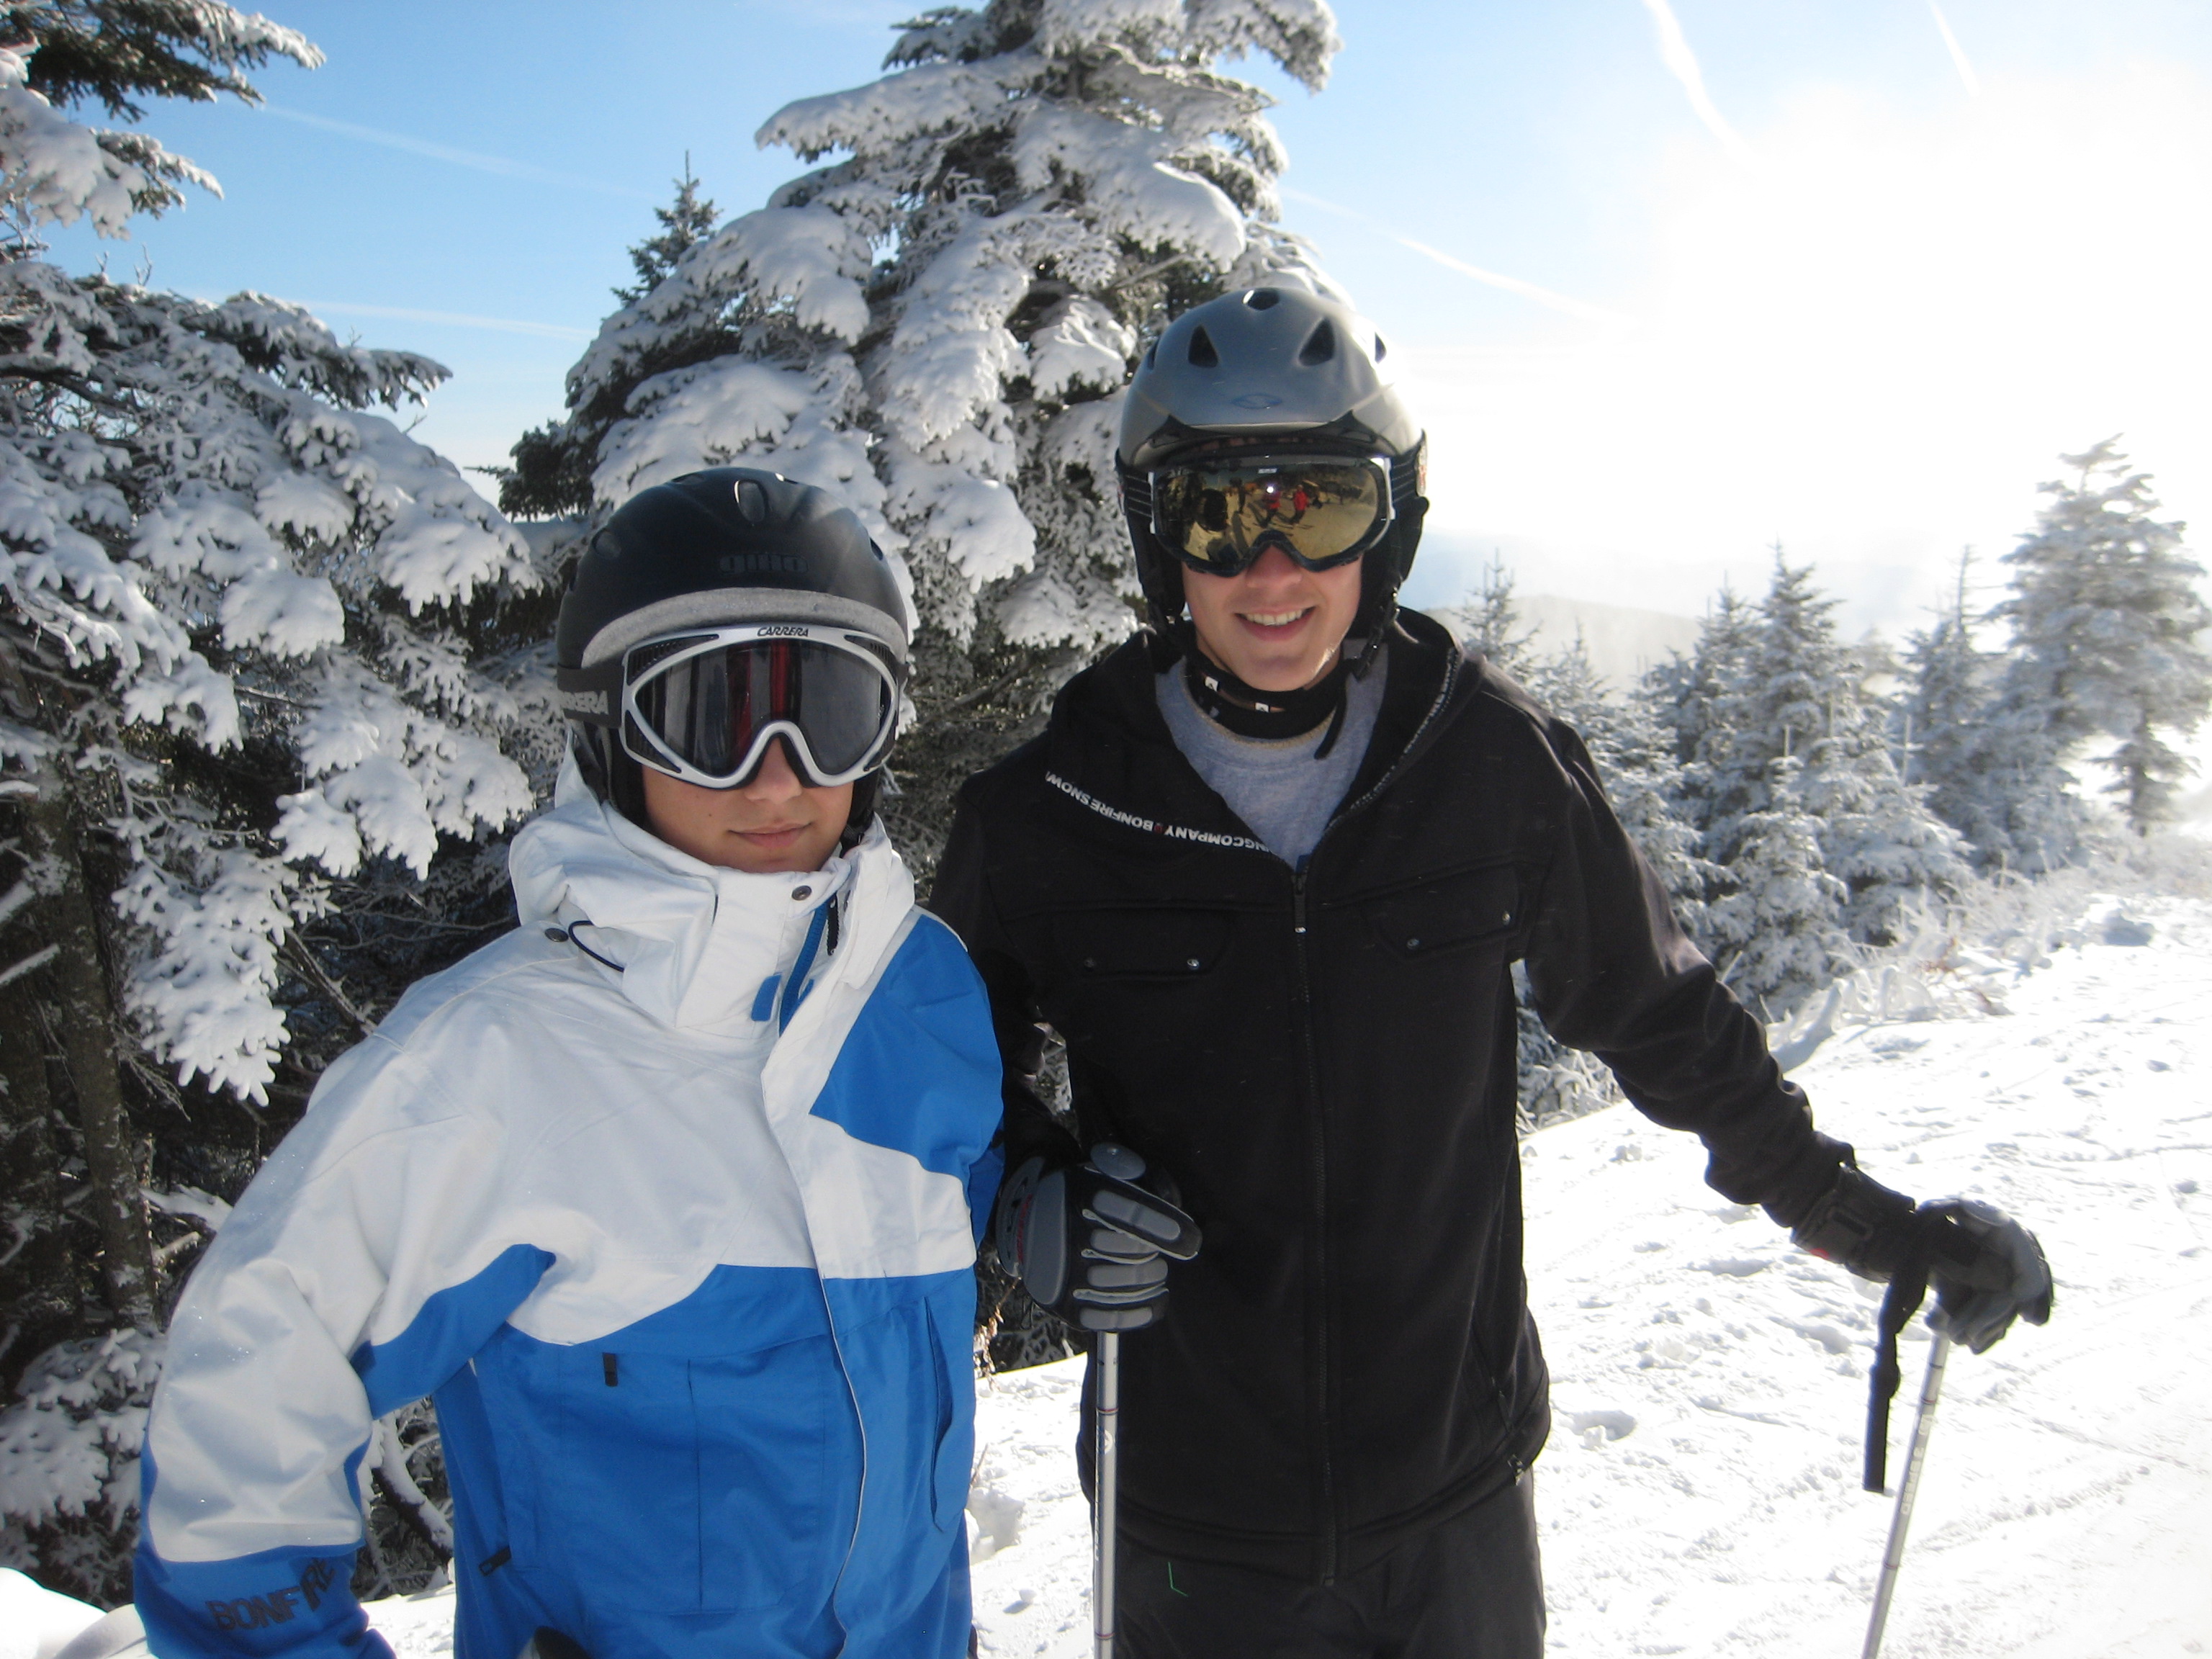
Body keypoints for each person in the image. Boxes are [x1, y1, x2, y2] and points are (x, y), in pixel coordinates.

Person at [935, 286, 2054, 1658]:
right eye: (1220, 515)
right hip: (1190, 1518)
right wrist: (1031, 1195)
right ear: (1156, 536)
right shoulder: (1050, 814)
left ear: (1392, 522)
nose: (1272, 571)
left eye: (1323, 509)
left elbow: (1662, 1020)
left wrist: (1870, 1224)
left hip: (1452, 1502)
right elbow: (941, 1091)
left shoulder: (1486, 763)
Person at [135, 470, 1004, 1659]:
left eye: (832, 712)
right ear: (608, 735)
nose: (779, 775)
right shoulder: (489, 1060)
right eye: (710, 716)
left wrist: (1043, 1191)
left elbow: (946, 1207)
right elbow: (248, 1392)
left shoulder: (924, 987)